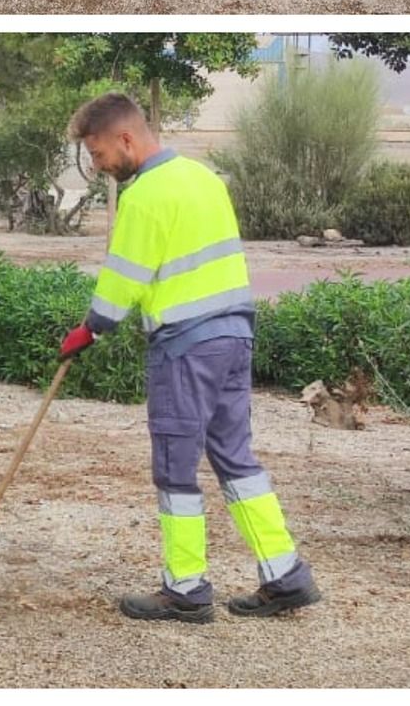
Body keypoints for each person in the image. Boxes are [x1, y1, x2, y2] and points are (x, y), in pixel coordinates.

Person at [59, 93, 321, 623]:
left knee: (175, 466)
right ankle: (285, 573)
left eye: (99, 152)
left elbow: (124, 278)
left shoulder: (145, 194)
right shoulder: (204, 178)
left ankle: (185, 590)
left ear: (126, 139)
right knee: (235, 457)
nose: (98, 165)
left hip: (185, 347)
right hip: (234, 337)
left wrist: (90, 329)